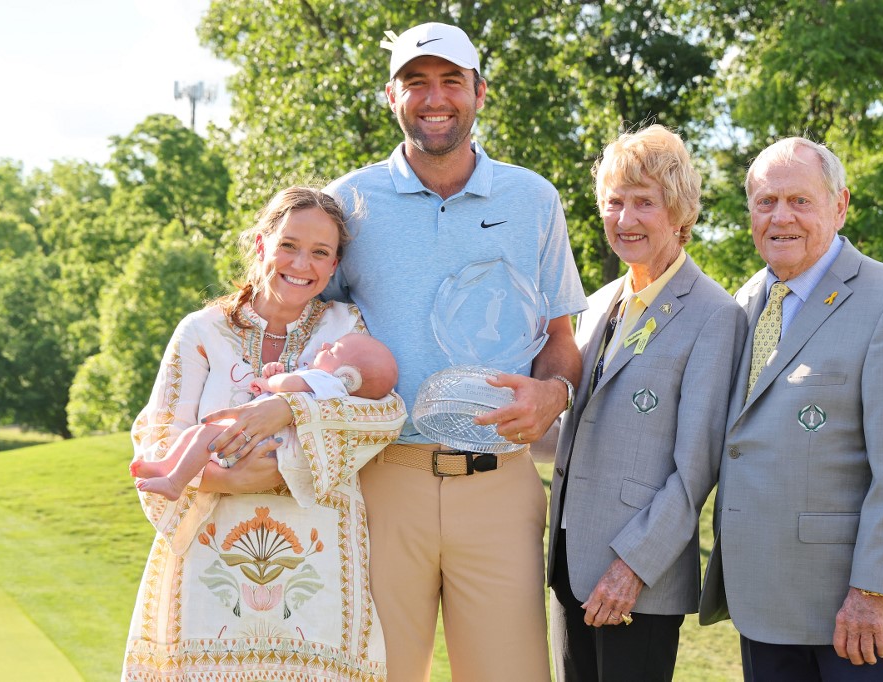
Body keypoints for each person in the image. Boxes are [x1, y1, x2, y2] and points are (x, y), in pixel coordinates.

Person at [320, 21, 587, 682]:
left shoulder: (534, 199)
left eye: (450, 81)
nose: (434, 97)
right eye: (416, 82)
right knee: (370, 674)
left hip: (499, 484)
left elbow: (560, 339)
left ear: (480, 92)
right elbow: (300, 324)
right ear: (391, 96)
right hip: (379, 480)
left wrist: (553, 395)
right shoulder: (345, 202)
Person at [698, 137, 883, 681]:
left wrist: (873, 591)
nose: (780, 217)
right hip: (766, 607)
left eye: (799, 201)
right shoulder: (747, 302)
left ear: (840, 205)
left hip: (859, 617)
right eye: (765, 202)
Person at [122, 187, 407, 681]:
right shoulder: (202, 331)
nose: (302, 263)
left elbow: (383, 417)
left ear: (335, 263)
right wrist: (227, 481)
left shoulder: (345, 328)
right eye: (288, 245)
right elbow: (157, 441)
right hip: (209, 567)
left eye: (320, 252)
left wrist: (287, 411)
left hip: (317, 572)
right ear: (260, 245)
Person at [546, 125, 746, 681]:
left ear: (680, 215)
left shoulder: (714, 315)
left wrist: (632, 567)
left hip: (636, 580)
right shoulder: (600, 301)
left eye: (644, 203)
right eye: (614, 202)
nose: (625, 219)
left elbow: (696, 470)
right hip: (570, 563)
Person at [130, 332, 398, 500]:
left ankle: (175, 482)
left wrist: (272, 382)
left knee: (202, 434)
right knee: (194, 435)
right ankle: (167, 466)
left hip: (254, 444)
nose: (325, 345)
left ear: (348, 376)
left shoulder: (330, 384)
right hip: (255, 440)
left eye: (333, 350)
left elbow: (290, 386)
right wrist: (273, 379)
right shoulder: (322, 383)